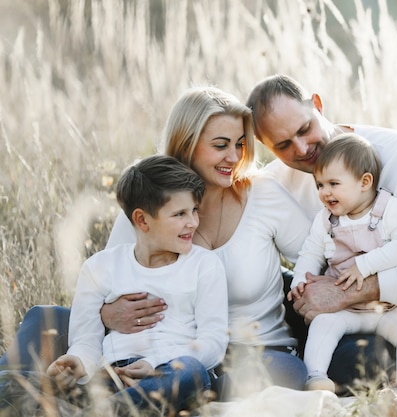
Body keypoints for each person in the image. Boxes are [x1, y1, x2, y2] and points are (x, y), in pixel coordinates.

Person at [0, 86, 311, 402]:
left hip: (243, 352)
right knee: (43, 319)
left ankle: (127, 397)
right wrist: (105, 314)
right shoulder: (148, 204)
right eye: (220, 145)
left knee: (283, 373)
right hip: (155, 343)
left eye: (241, 145)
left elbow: (318, 257)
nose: (234, 157)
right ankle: (14, 393)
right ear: (186, 144)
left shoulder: (263, 195)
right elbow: (112, 278)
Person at [245, 74, 397, 389]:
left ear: (317, 105)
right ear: (265, 146)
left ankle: (307, 372)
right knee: (259, 288)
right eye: (283, 145)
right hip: (329, 321)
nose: (303, 147)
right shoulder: (275, 182)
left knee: (358, 363)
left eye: (305, 129)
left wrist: (344, 291)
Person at [1, 155, 229, 415]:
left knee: (192, 370)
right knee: (7, 381)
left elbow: (213, 342)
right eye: (180, 214)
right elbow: (86, 341)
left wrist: (152, 363)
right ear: (142, 220)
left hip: (170, 374)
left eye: (194, 211)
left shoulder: (204, 265)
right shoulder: (100, 267)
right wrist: (76, 363)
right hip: (110, 376)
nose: (193, 222)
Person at [288, 133, 397, 392]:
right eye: (319, 185)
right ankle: (316, 376)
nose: (324, 192)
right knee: (322, 324)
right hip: (346, 308)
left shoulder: (391, 210)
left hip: (389, 307)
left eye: (333, 183)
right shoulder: (325, 220)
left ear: (364, 182)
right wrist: (299, 280)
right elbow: (311, 252)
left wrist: (364, 265)